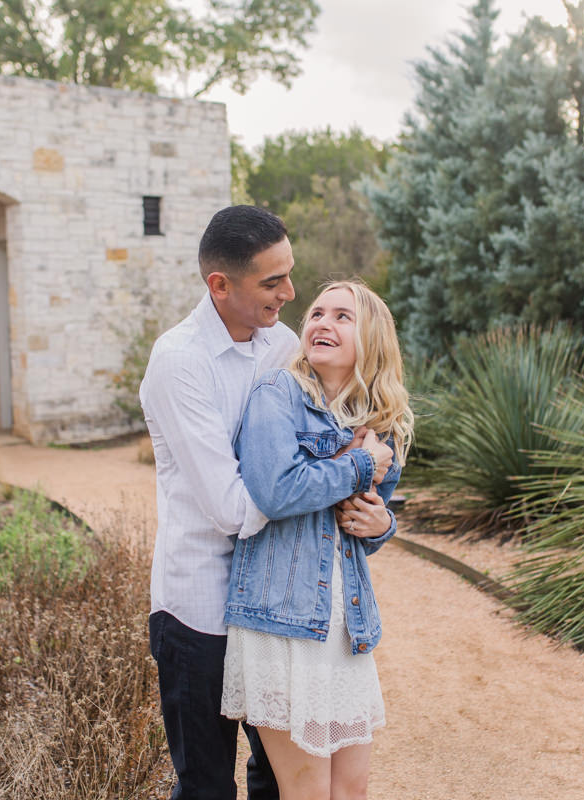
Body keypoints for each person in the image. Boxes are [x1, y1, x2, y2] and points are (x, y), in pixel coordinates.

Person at [141, 206, 376, 800]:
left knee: (279, 781)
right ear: (220, 285)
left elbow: (346, 444)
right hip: (200, 609)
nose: (291, 293)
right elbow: (234, 507)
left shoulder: (285, 347)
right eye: (273, 282)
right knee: (206, 787)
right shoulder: (179, 362)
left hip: (279, 604)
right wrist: (335, 473)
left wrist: (376, 514)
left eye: (289, 274)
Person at [221, 280, 413, 800]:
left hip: (344, 623)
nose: (323, 323)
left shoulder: (379, 421)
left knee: (351, 789)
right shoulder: (276, 395)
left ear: (370, 339)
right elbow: (276, 491)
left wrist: (383, 526)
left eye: (342, 316)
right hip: (280, 618)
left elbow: (363, 522)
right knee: (305, 789)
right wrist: (357, 464)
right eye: (317, 313)